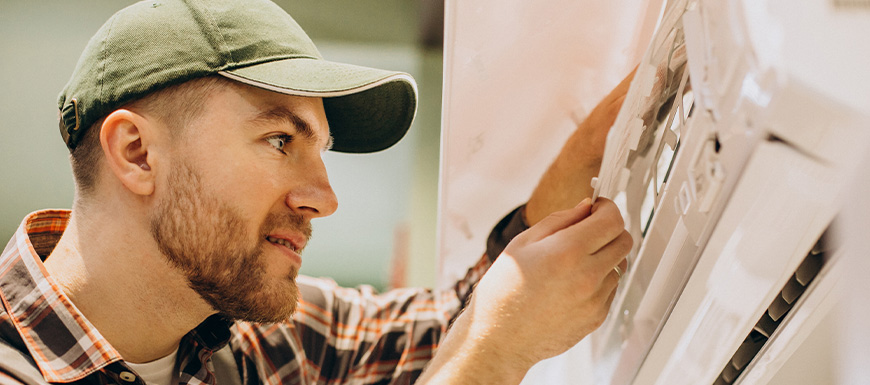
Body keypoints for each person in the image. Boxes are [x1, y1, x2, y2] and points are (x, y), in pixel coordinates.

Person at [0, 0, 633, 384]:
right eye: (280, 140)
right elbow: (486, 337)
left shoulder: (260, 340)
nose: (324, 199)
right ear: (138, 154)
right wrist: (496, 356)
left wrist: (583, 161)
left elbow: (458, 321)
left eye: (319, 151)